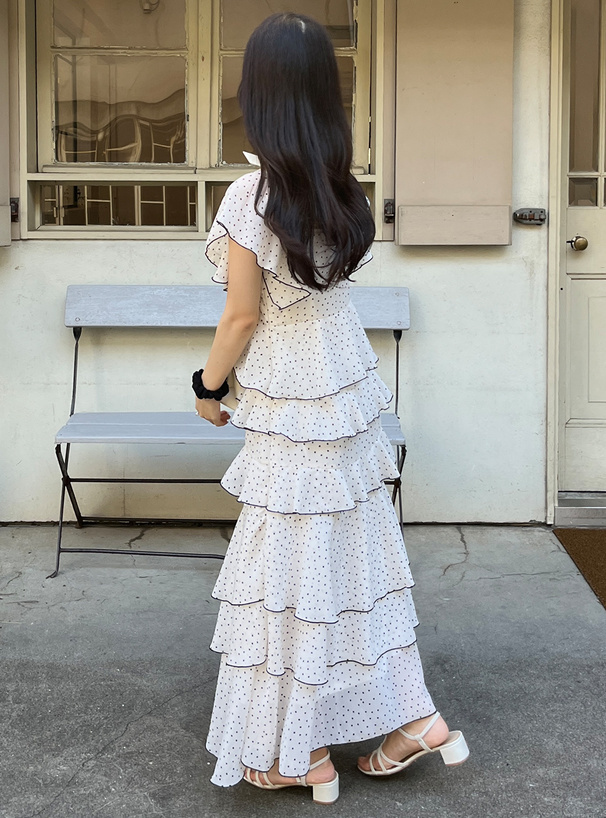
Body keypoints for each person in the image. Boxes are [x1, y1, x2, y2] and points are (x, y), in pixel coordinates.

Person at [193, 12, 468, 803]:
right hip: (343, 394)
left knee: (290, 574)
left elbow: (241, 317)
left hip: (289, 401)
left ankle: (301, 753)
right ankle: (411, 719)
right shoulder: (343, 189)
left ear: (259, 93)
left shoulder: (251, 195)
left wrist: (207, 387)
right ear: (324, 95)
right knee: (352, 562)